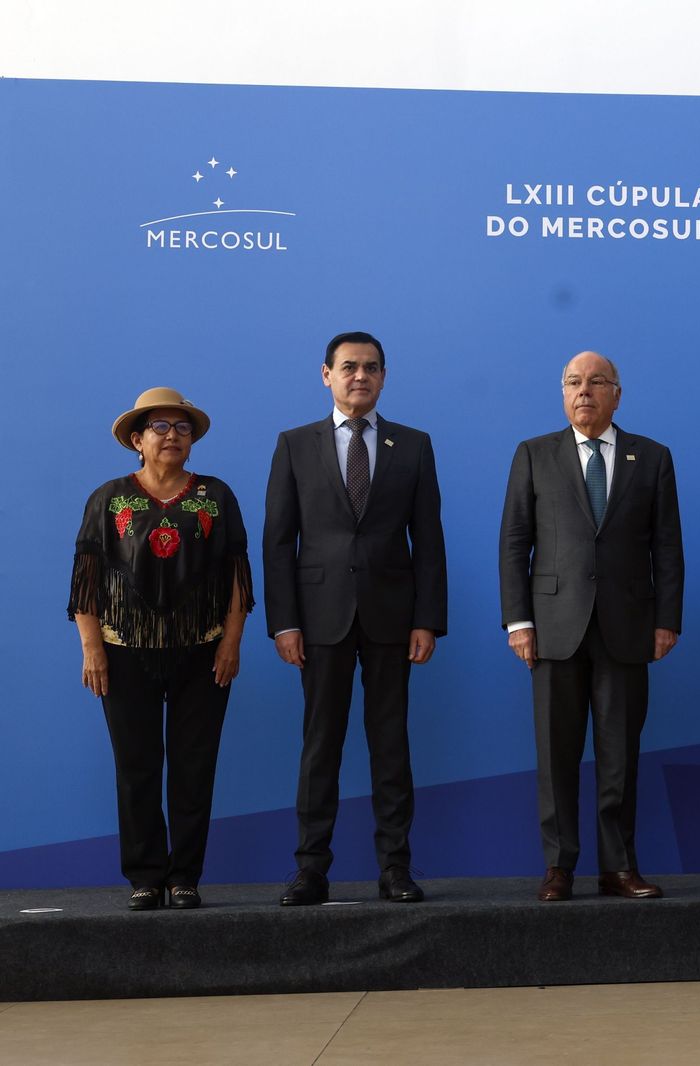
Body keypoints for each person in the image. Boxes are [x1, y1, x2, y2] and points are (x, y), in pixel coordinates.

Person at [264, 331, 448, 905]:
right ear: (326, 375)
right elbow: (278, 542)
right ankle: (310, 869)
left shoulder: (413, 445)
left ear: (384, 377)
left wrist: (428, 619)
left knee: (390, 745)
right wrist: (284, 622)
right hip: (319, 620)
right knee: (320, 745)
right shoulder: (295, 444)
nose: (359, 376)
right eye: (348, 367)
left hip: (394, 618)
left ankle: (395, 868)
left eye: (370, 368)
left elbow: (430, 541)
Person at [498, 351, 684, 902]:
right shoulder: (534, 454)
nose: (585, 392)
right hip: (552, 628)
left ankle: (618, 867)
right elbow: (514, 544)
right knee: (555, 757)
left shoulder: (651, 457)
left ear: (617, 394)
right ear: (562, 393)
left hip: (628, 626)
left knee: (619, 755)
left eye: (597, 382)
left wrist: (666, 620)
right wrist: (518, 622)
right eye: (574, 383)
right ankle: (559, 868)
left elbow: (667, 548)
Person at [69, 387, 253, 910]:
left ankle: (184, 876)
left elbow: (237, 573)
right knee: (136, 764)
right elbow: (86, 579)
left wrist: (231, 642)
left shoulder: (215, 496)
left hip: (202, 651)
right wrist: (92, 649)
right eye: (160, 428)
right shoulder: (109, 498)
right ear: (137, 439)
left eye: (182, 428)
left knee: (195, 765)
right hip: (124, 651)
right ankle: (146, 875)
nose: (172, 437)